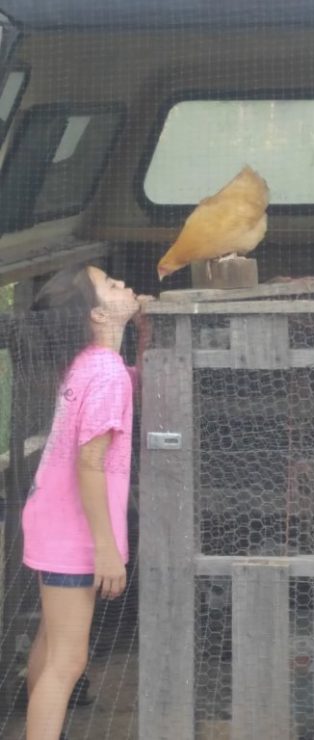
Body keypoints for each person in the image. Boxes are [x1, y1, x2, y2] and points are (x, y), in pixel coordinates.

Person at [21, 264, 153, 740]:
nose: (125, 284)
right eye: (113, 285)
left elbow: (133, 383)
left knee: (52, 646)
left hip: (51, 524)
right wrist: (105, 548)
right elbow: (90, 463)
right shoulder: (105, 374)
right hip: (74, 537)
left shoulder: (91, 365)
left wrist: (142, 330)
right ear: (98, 313)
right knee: (69, 660)